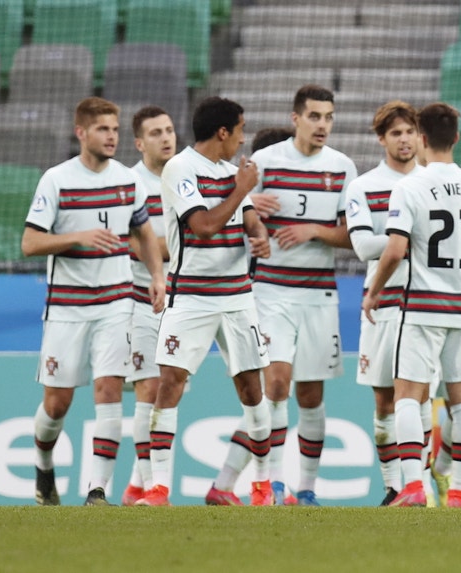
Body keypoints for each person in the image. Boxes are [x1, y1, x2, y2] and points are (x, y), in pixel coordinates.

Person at [208, 84, 357, 507]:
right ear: (296, 119)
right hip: (270, 292)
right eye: (314, 116)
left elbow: (353, 235)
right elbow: (223, 210)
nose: (322, 124)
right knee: (275, 383)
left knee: (310, 397)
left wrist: (315, 230)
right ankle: (270, 485)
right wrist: (248, 202)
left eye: (328, 117)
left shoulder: (343, 168)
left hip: (319, 295)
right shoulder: (266, 162)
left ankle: (303, 490)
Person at [363, 102, 461, 508]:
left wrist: (374, 290)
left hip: (421, 306)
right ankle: (458, 490)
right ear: (456, 138)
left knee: (408, 395)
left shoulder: (408, 187)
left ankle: (413, 487)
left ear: (422, 139)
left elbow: (394, 250)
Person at [24, 96, 165, 506]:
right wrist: (76, 237)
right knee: (57, 403)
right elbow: (30, 241)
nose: (111, 137)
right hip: (67, 307)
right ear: (81, 132)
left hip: (117, 302)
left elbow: (144, 233)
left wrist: (156, 276)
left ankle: (96, 492)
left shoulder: (127, 179)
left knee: (108, 388)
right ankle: (44, 466)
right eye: (102, 129)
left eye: (115, 130)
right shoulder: (56, 179)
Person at [134, 96, 273, 507]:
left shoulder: (232, 172)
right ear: (223, 132)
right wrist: (243, 188)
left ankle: (263, 488)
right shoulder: (181, 168)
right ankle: (158, 489)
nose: (243, 138)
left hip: (237, 296)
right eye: (241, 129)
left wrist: (259, 234)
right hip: (191, 294)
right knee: (169, 384)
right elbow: (205, 226)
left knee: (252, 390)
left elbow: (248, 219)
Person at [345, 100, 423, 505]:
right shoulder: (362, 186)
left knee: (420, 396)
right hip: (383, 304)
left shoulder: (433, 182)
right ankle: (393, 485)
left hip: (427, 305)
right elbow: (361, 246)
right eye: (396, 133)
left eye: (409, 131)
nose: (404, 139)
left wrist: (397, 243)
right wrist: (406, 240)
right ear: (382, 140)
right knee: (383, 397)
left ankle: (418, 485)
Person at [120, 106, 177, 506]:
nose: (166, 138)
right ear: (140, 143)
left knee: (169, 393)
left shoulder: (188, 176)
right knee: (149, 388)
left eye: (170, 130)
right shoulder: (128, 182)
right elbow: (126, 242)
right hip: (139, 297)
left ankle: (137, 486)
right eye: (156, 132)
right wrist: (174, 246)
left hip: (185, 301)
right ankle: (154, 485)